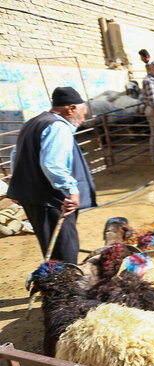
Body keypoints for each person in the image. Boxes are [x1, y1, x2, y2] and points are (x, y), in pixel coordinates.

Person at [7, 86, 97, 263]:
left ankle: (57, 284)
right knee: (63, 252)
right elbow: (53, 164)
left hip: (33, 197)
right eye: (83, 113)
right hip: (51, 200)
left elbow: (15, 155)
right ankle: (64, 288)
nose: (83, 118)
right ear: (71, 109)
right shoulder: (58, 127)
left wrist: (17, 186)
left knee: (52, 246)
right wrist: (72, 190)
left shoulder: (33, 122)